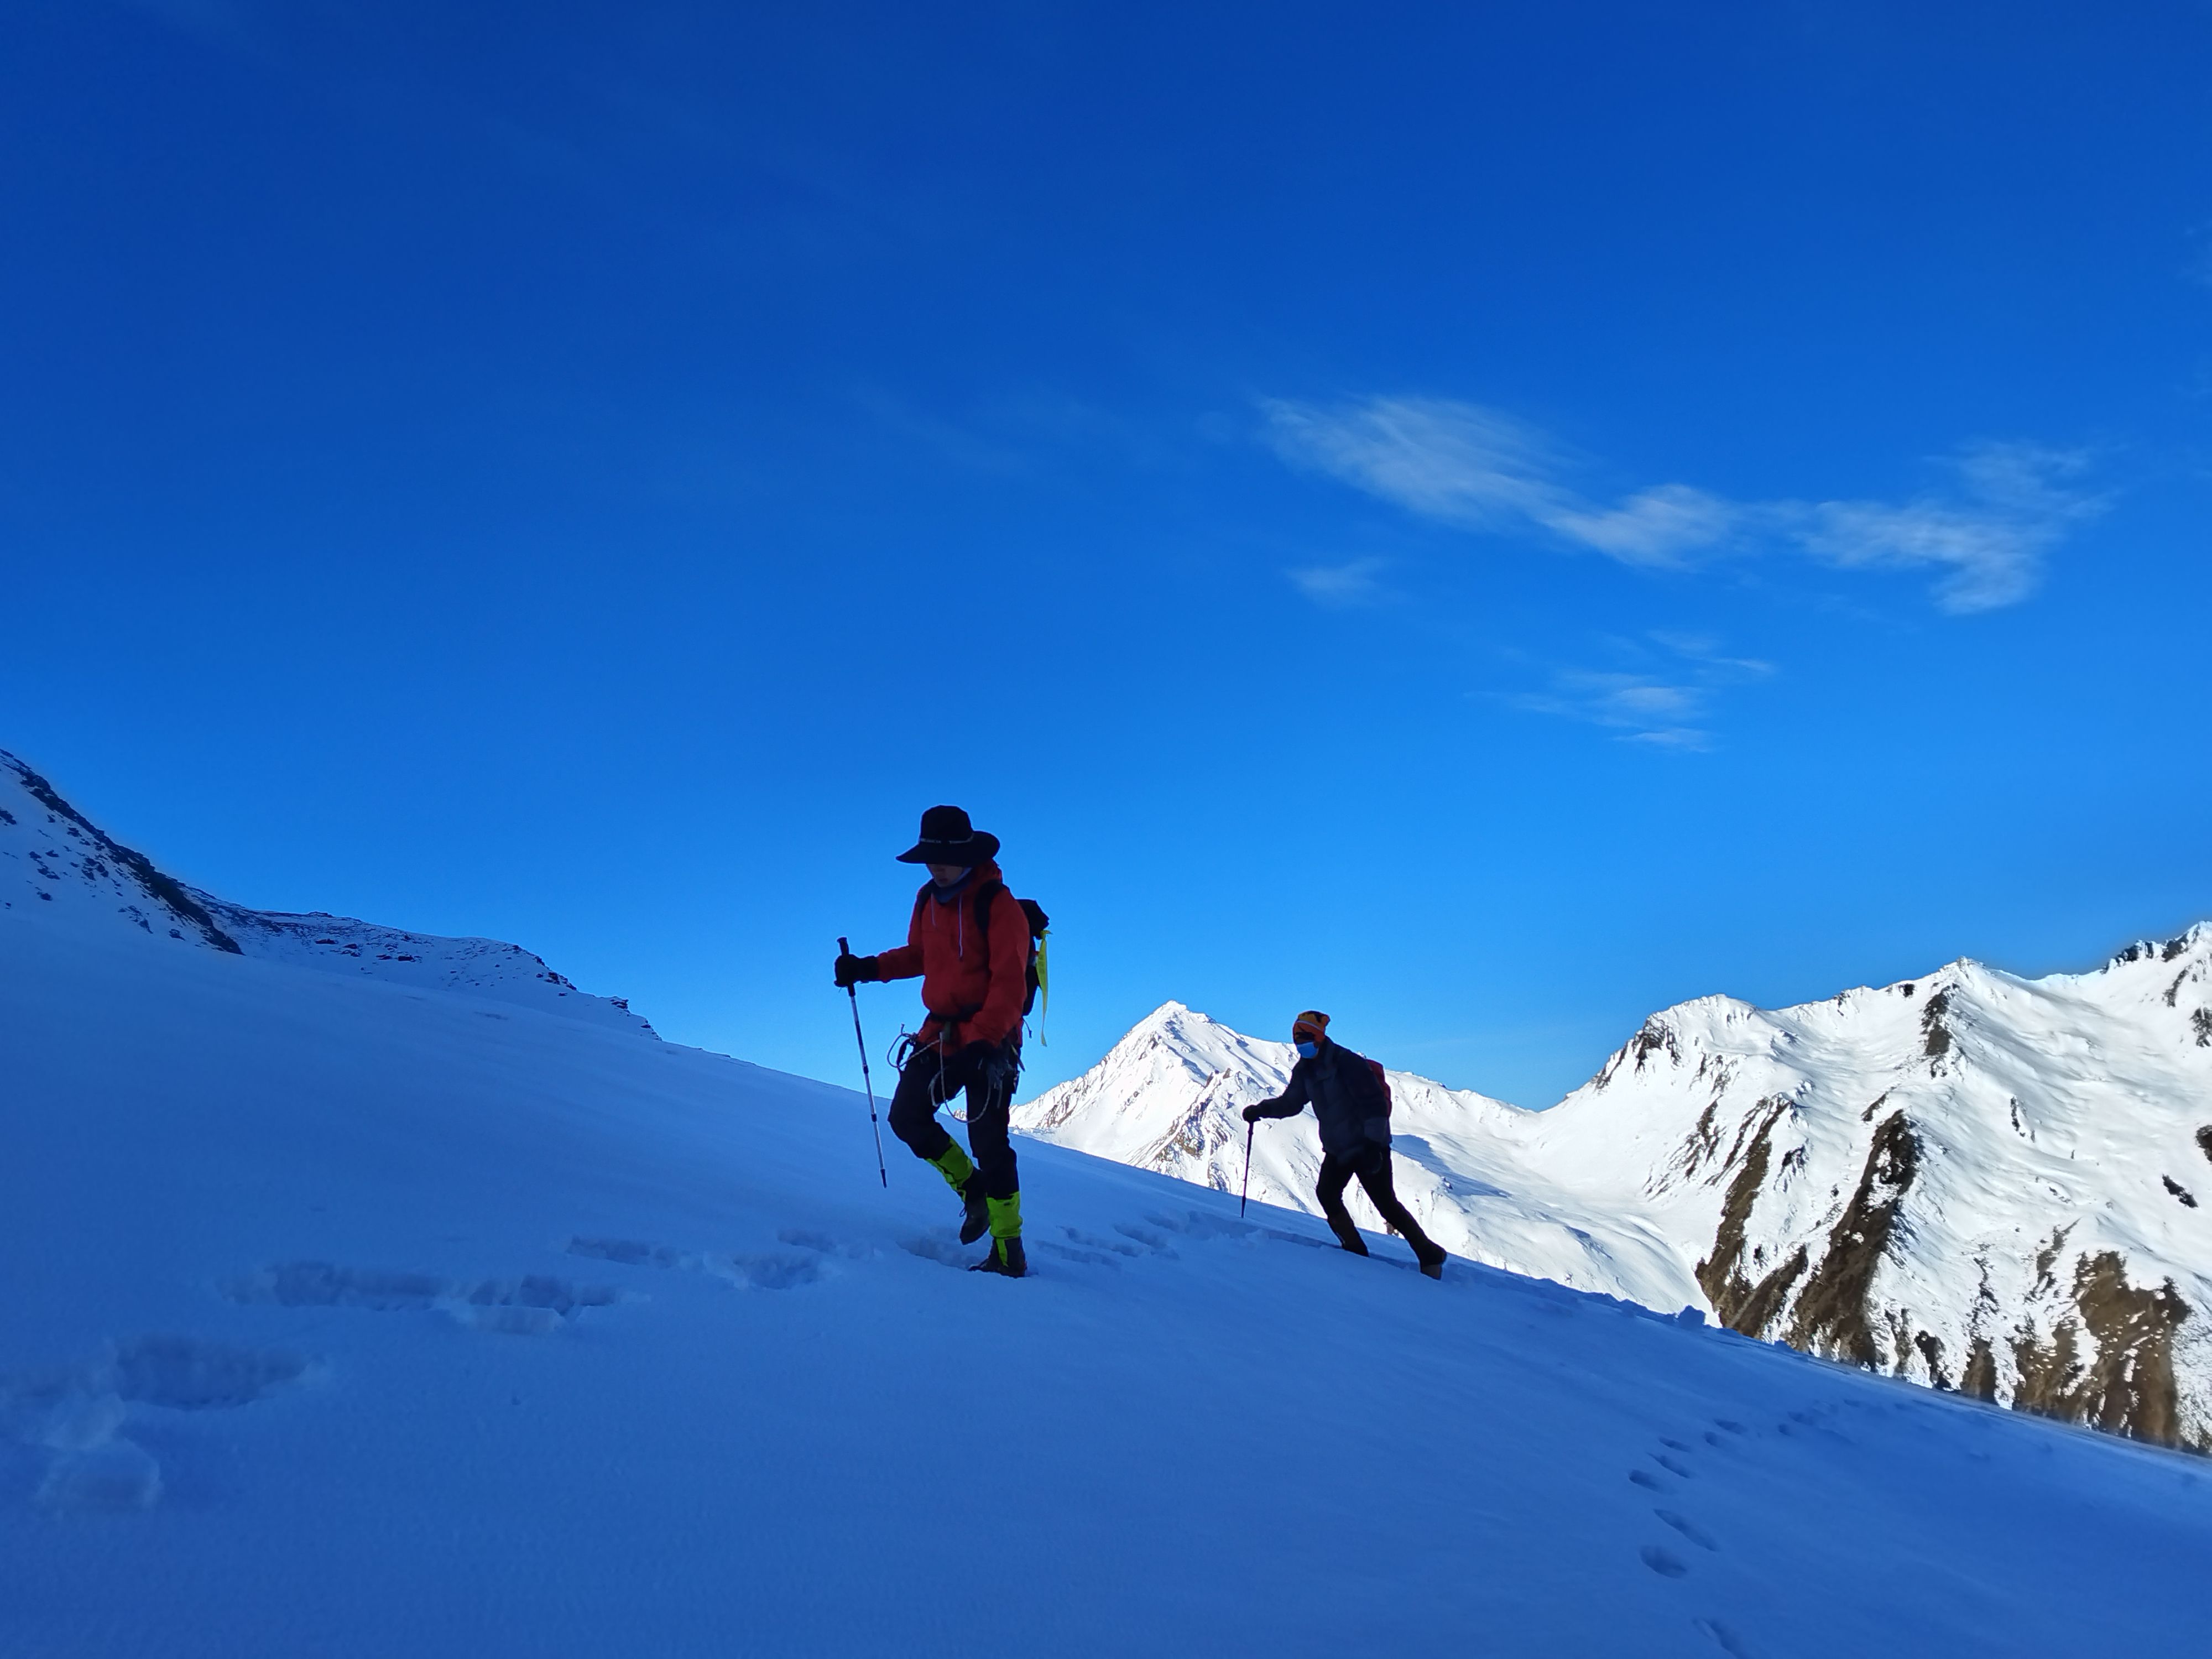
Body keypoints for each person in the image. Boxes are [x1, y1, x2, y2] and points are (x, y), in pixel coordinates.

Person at [834, 806, 1031, 1277]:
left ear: (967, 854)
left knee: (990, 1142)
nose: (935, 867)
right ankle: (973, 1191)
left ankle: (1009, 1252)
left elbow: (1010, 985)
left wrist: (984, 1041)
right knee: (906, 1116)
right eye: (929, 857)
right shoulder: (927, 899)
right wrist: (868, 968)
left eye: (944, 858)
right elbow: (920, 955)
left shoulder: (998, 905)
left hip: (991, 1039)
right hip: (940, 1033)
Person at [1242, 1011, 1447, 1280]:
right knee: (1327, 1194)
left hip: (1367, 1146)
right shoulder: (1305, 1070)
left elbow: (1374, 1105)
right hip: (1338, 1148)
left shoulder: (1348, 1063)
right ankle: (1354, 1249)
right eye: (1297, 1039)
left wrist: (1374, 1145)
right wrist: (1261, 1110)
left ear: (1319, 1037)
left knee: (1385, 1204)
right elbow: (1291, 1103)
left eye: (1304, 1037)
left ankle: (1429, 1253)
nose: (1300, 1043)